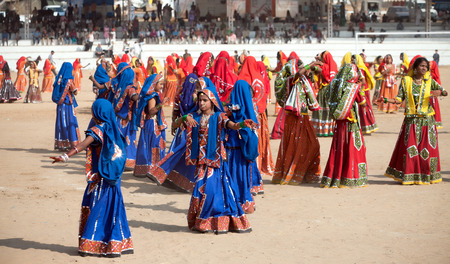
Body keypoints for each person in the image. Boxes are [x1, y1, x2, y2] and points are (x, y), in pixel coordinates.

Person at [50, 99, 134, 257]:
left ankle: (92, 243)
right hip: (114, 177)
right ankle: (115, 244)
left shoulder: (98, 130)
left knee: (98, 208)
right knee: (113, 208)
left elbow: (81, 146)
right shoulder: (114, 129)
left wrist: (64, 157)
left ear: (98, 113)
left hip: (101, 178)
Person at [172, 84, 256, 233]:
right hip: (200, 163)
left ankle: (217, 222)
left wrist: (243, 124)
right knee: (199, 192)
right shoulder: (194, 117)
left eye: (205, 100)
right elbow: (176, 124)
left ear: (212, 102)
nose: (202, 103)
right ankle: (203, 223)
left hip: (216, 162)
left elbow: (232, 125)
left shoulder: (219, 117)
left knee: (212, 191)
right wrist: (184, 117)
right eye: (200, 100)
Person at [381, 57, 447, 185]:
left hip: (427, 121)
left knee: (426, 149)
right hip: (411, 121)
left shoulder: (430, 81)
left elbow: (444, 92)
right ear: (415, 67)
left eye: (426, 67)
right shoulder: (406, 82)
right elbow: (399, 100)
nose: (424, 69)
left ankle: (426, 175)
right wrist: (385, 100)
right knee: (410, 149)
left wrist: (440, 92)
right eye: (422, 66)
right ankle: (410, 175)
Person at [272, 59, 322, 185]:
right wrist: (311, 64)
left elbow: (320, 71)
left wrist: (315, 67)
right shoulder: (291, 80)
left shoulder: (304, 79)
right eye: (300, 67)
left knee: (313, 145)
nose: (303, 70)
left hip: (304, 117)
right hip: (294, 119)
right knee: (296, 147)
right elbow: (299, 73)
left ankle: (305, 173)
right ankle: (294, 174)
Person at [321, 61, 368, 188]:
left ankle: (335, 178)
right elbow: (363, 103)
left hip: (339, 124)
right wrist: (359, 89)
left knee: (339, 149)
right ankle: (349, 177)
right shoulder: (353, 88)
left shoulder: (335, 86)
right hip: (351, 123)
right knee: (354, 148)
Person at [224, 80, 259, 213]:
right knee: (242, 176)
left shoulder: (228, 109)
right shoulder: (250, 110)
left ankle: (232, 201)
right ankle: (244, 201)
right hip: (243, 151)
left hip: (230, 149)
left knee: (231, 175)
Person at [134, 73, 168, 176]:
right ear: (154, 84)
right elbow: (151, 111)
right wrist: (161, 104)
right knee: (154, 145)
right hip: (153, 124)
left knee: (149, 145)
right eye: (160, 84)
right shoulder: (152, 97)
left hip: (150, 123)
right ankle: (153, 169)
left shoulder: (150, 95)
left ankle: (148, 168)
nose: (161, 87)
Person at [112, 62, 139, 170]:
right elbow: (134, 98)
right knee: (129, 138)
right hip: (127, 118)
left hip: (117, 117)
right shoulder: (130, 87)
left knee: (118, 139)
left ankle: (118, 160)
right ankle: (128, 161)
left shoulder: (118, 85)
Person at [52, 62, 80, 151]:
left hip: (60, 105)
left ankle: (62, 144)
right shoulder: (69, 81)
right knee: (69, 123)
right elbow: (75, 91)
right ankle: (71, 143)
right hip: (68, 105)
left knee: (61, 123)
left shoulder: (58, 79)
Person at [311, 51, 338, 137]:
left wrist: (315, 63)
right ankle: (330, 129)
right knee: (330, 110)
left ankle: (322, 130)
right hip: (333, 90)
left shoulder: (323, 66)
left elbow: (313, 68)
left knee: (322, 109)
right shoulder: (334, 66)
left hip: (325, 90)